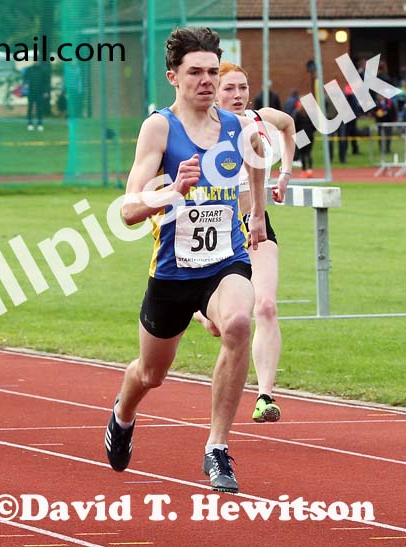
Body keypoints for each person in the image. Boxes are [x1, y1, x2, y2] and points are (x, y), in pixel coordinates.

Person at [104, 27, 267, 494]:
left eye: (213, 72)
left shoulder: (237, 127)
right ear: (174, 77)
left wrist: (255, 212)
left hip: (225, 261)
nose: (207, 81)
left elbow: (256, 159)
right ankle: (123, 412)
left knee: (238, 322)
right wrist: (172, 192)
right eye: (195, 72)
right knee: (151, 373)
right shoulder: (160, 128)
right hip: (173, 272)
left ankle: (216, 447)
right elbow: (129, 209)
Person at [192, 61, 296, 424]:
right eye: (229, 89)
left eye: (243, 87)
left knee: (266, 306)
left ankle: (265, 396)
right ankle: (198, 308)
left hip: (257, 225)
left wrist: (284, 174)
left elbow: (288, 125)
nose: (237, 95)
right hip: (216, 231)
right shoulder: (205, 130)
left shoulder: (260, 118)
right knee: (221, 324)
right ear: (215, 92)